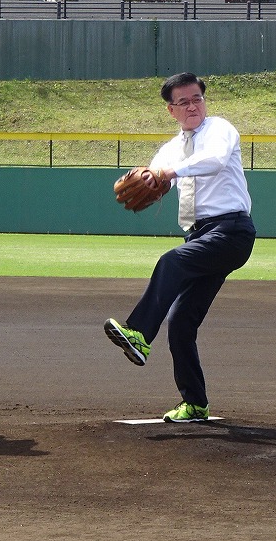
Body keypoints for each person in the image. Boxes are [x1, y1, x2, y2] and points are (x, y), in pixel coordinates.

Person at [104, 72, 256, 422]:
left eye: (197, 98)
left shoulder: (219, 129)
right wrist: (147, 178)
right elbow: (156, 173)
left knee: (171, 262)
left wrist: (169, 174)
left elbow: (215, 160)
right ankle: (196, 403)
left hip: (231, 230)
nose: (192, 106)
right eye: (183, 102)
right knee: (182, 322)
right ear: (171, 110)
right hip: (200, 236)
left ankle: (139, 333)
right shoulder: (172, 147)